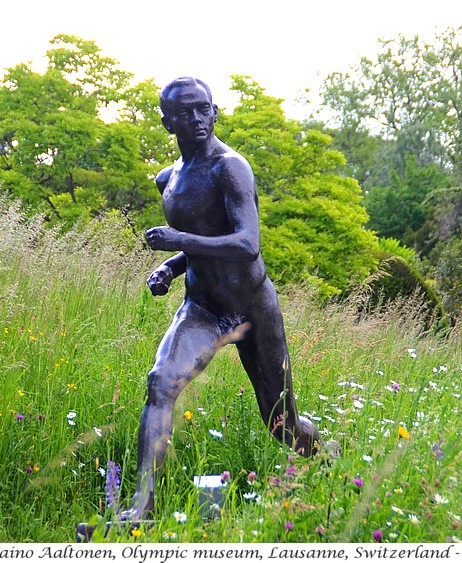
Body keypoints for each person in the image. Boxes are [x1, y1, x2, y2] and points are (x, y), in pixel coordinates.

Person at [124, 77, 322, 521]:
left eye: (202, 110)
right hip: (203, 308)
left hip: (252, 309)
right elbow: (204, 241)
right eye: (183, 112)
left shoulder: (231, 168)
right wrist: (172, 266)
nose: (195, 119)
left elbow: (247, 243)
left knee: (283, 425)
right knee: (160, 384)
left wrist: (177, 240)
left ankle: (328, 461)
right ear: (166, 121)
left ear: (215, 112)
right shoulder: (168, 179)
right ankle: (142, 508)